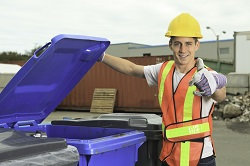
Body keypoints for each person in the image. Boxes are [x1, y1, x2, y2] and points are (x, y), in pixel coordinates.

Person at [99, 13, 227, 166]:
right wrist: (101, 56)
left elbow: (220, 95)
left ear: (196, 45)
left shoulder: (205, 74)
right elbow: (132, 68)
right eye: (178, 43)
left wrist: (213, 87)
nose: (182, 49)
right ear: (170, 45)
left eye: (188, 44)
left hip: (200, 157)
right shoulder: (163, 70)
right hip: (169, 155)